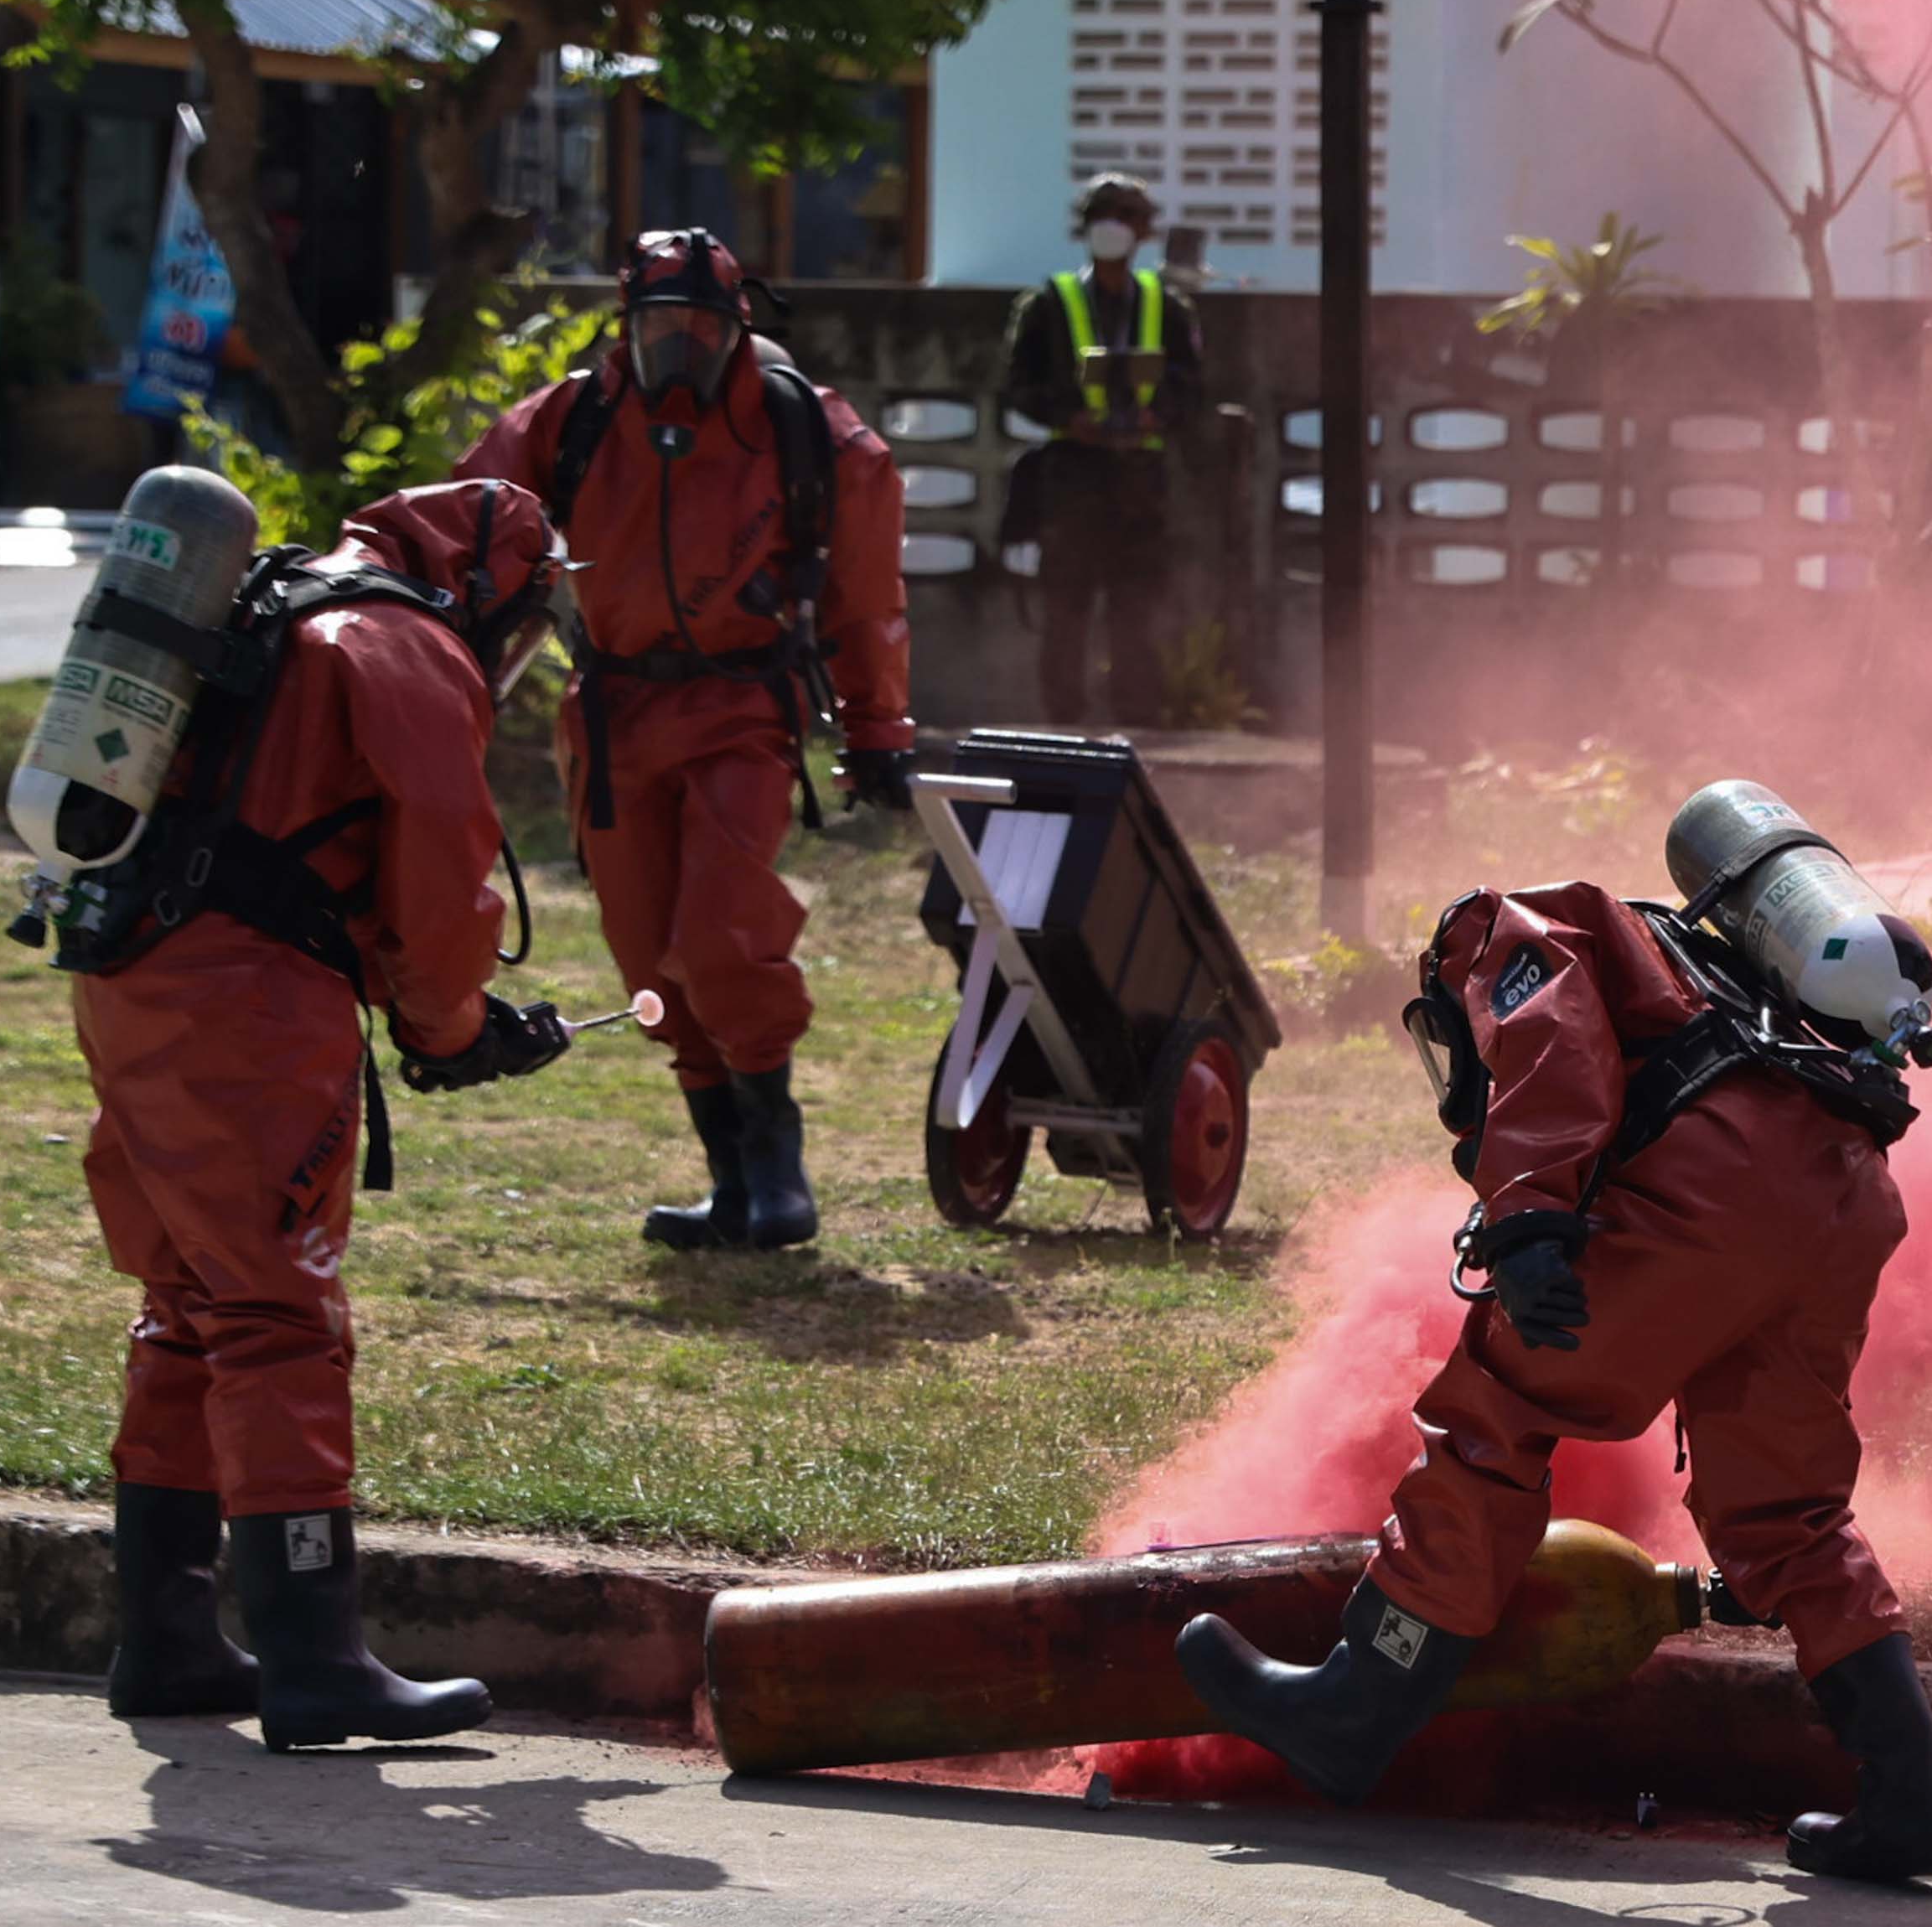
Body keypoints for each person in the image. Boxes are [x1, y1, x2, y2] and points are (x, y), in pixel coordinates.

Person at [1173, 832, 1932, 1883]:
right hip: (1844, 1196)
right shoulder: (1713, 971)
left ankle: (1356, 1706)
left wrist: (1532, 1223)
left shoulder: (1509, 929)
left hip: (1723, 1179)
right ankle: (1910, 1798)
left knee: (1498, 1411)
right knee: (1791, 1513)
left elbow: (1551, 1043)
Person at [70, 479, 575, 1750]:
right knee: (281, 1314)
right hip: (250, 1002)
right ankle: (314, 1663)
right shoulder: (402, 643)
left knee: (192, 1300)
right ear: (489, 584)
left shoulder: (269, 598)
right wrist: (453, 1034)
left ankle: (172, 1640)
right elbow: (442, 876)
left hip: (133, 977)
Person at [457, 227, 914, 1252]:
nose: (679, 346)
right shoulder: (575, 419)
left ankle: (779, 1170)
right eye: (659, 325)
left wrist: (878, 725)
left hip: (741, 712)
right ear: (628, 327)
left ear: (736, 327)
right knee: (647, 960)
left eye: (700, 327)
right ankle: (733, 1180)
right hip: (615, 719)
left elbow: (868, 584)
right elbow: (466, 516)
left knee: (724, 937)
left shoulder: (801, 429)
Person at [1002, 174, 1205, 725]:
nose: (1111, 228)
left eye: (1123, 216)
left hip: (1141, 480)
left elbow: (1192, 386)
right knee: (1066, 613)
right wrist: (1069, 416)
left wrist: (1154, 414)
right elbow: (1017, 383)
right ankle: (1065, 722)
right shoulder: (1046, 305)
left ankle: (1137, 725)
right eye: (1101, 216)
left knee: (1135, 614)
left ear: (1142, 232)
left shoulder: (1169, 308)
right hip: (1074, 477)